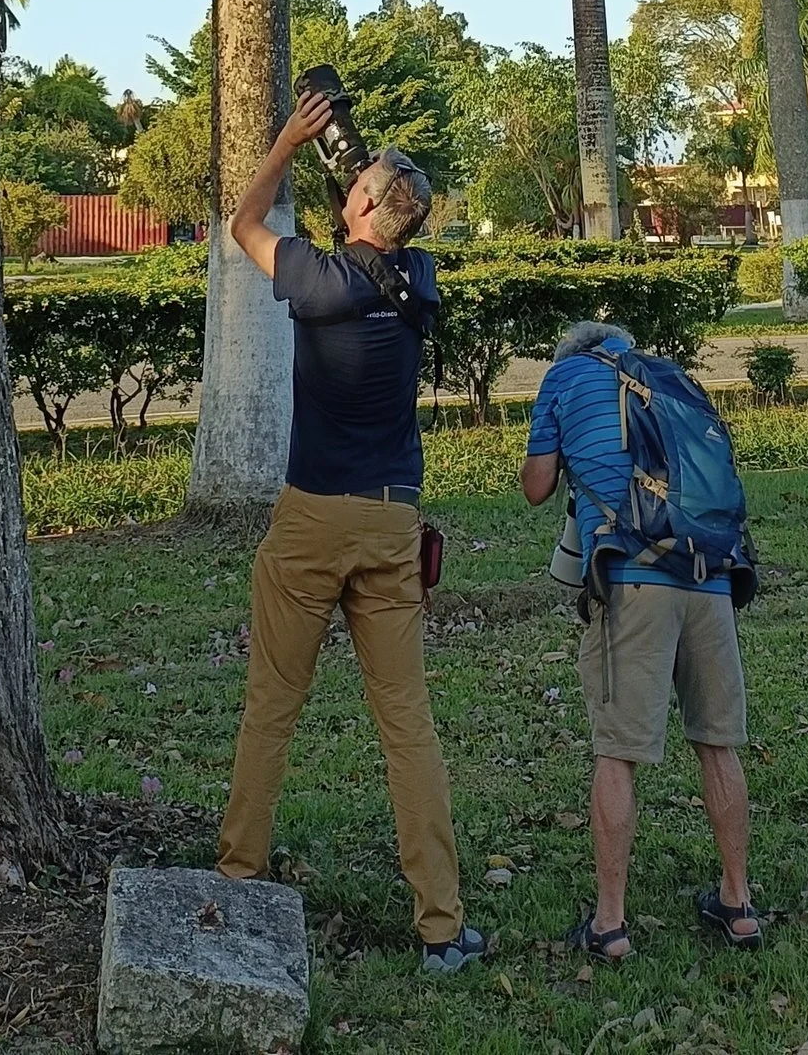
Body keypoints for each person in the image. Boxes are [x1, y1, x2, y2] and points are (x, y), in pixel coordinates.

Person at [214, 89, 482, 976]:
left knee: (272, 710)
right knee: (408, 724)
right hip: (391, 517)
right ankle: (440, 923)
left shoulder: (319, 280)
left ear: (363, 208)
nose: (351, 180)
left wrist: (291, 139)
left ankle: (241, 874)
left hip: (312, 515)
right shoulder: (423, 280)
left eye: (358, 180)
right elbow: (390, 242)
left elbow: (241, 221)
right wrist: (375, 182)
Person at [520, 320, 761, 962]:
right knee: (717, 744)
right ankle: (737, 904)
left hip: (632, 579)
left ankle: (610, 923)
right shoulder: (669, 378)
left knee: (617, 752)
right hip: (709, 576)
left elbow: (536, 485)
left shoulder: (565, 376)